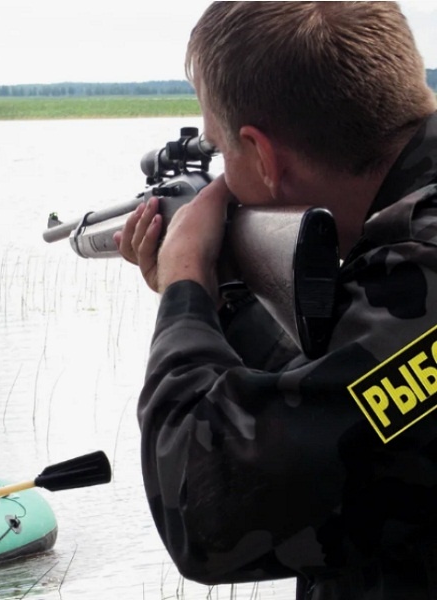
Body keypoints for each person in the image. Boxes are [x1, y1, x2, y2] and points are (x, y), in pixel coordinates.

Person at [113, 2, 437, 598]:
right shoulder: (405, 247)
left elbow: (205, 512)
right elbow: (333, 401)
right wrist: (228, 292)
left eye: (221, 150)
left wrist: (184, 287)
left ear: (262, 155)